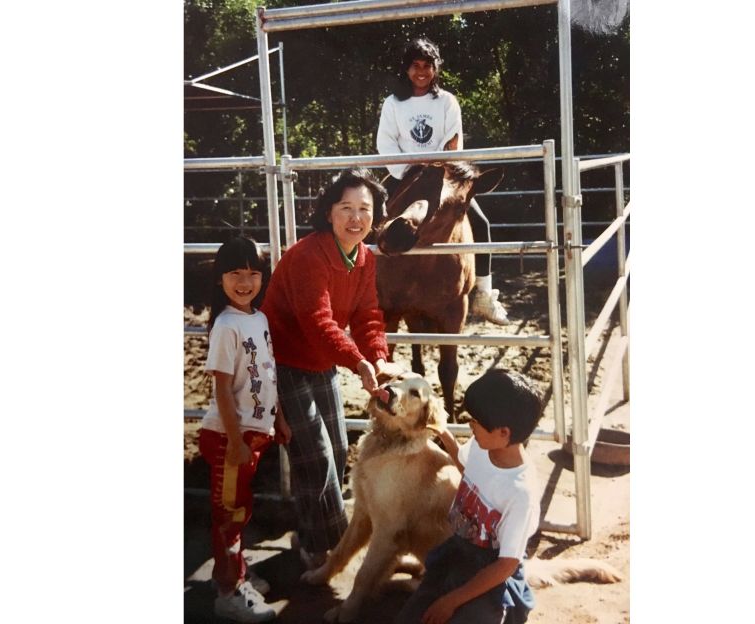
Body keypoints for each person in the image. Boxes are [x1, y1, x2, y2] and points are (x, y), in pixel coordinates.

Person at [261, 168, 400, 571]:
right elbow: (317, 321)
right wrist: (358, 362)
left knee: (337, 449)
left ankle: (318, 536)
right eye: (346, 208)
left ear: (375, 216)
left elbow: (368, 313)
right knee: (315, 455)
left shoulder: (365, 258)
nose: (356, 218)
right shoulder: (309, 255)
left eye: (364, 209)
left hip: (321, 359)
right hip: (284, 359)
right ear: (328, 213)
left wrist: (376, 357)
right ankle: (324, 545)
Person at [376, 37, 510, 325]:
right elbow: (386, 142)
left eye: (427, 65)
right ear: (406, 68)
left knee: (481, 223)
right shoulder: (393, 104)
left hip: (442, 176)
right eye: (415, 65)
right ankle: (360, 286)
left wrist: (441, 166)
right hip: (405, 175)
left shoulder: (447, 101)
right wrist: (407, 169)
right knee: (371, 217)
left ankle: (484, 294)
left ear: (436, 68)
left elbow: (453, 140)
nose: (421, 71)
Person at [395, 368, 543, 624]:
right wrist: (444, 434)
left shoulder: (520, 492)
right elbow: (468, 468)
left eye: (476, 422)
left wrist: (451, 601)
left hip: (491, 572)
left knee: (463, 615)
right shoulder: (481, 447)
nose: (470, 425)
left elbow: (506, 564)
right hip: (459, 552)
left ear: (504, 433)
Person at [199, 236, 292, 623]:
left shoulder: (259, 317)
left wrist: (279, 418)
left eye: (253, 274)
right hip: (228, 438)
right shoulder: (225, 325)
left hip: (253, 435)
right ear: (220, 278)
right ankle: (228, 592)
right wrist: (235, 440)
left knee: (241, 509)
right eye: (235, 273)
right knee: (229, 514)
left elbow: (268, 372)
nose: (245, 282)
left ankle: (236, 572)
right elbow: (221, 386)